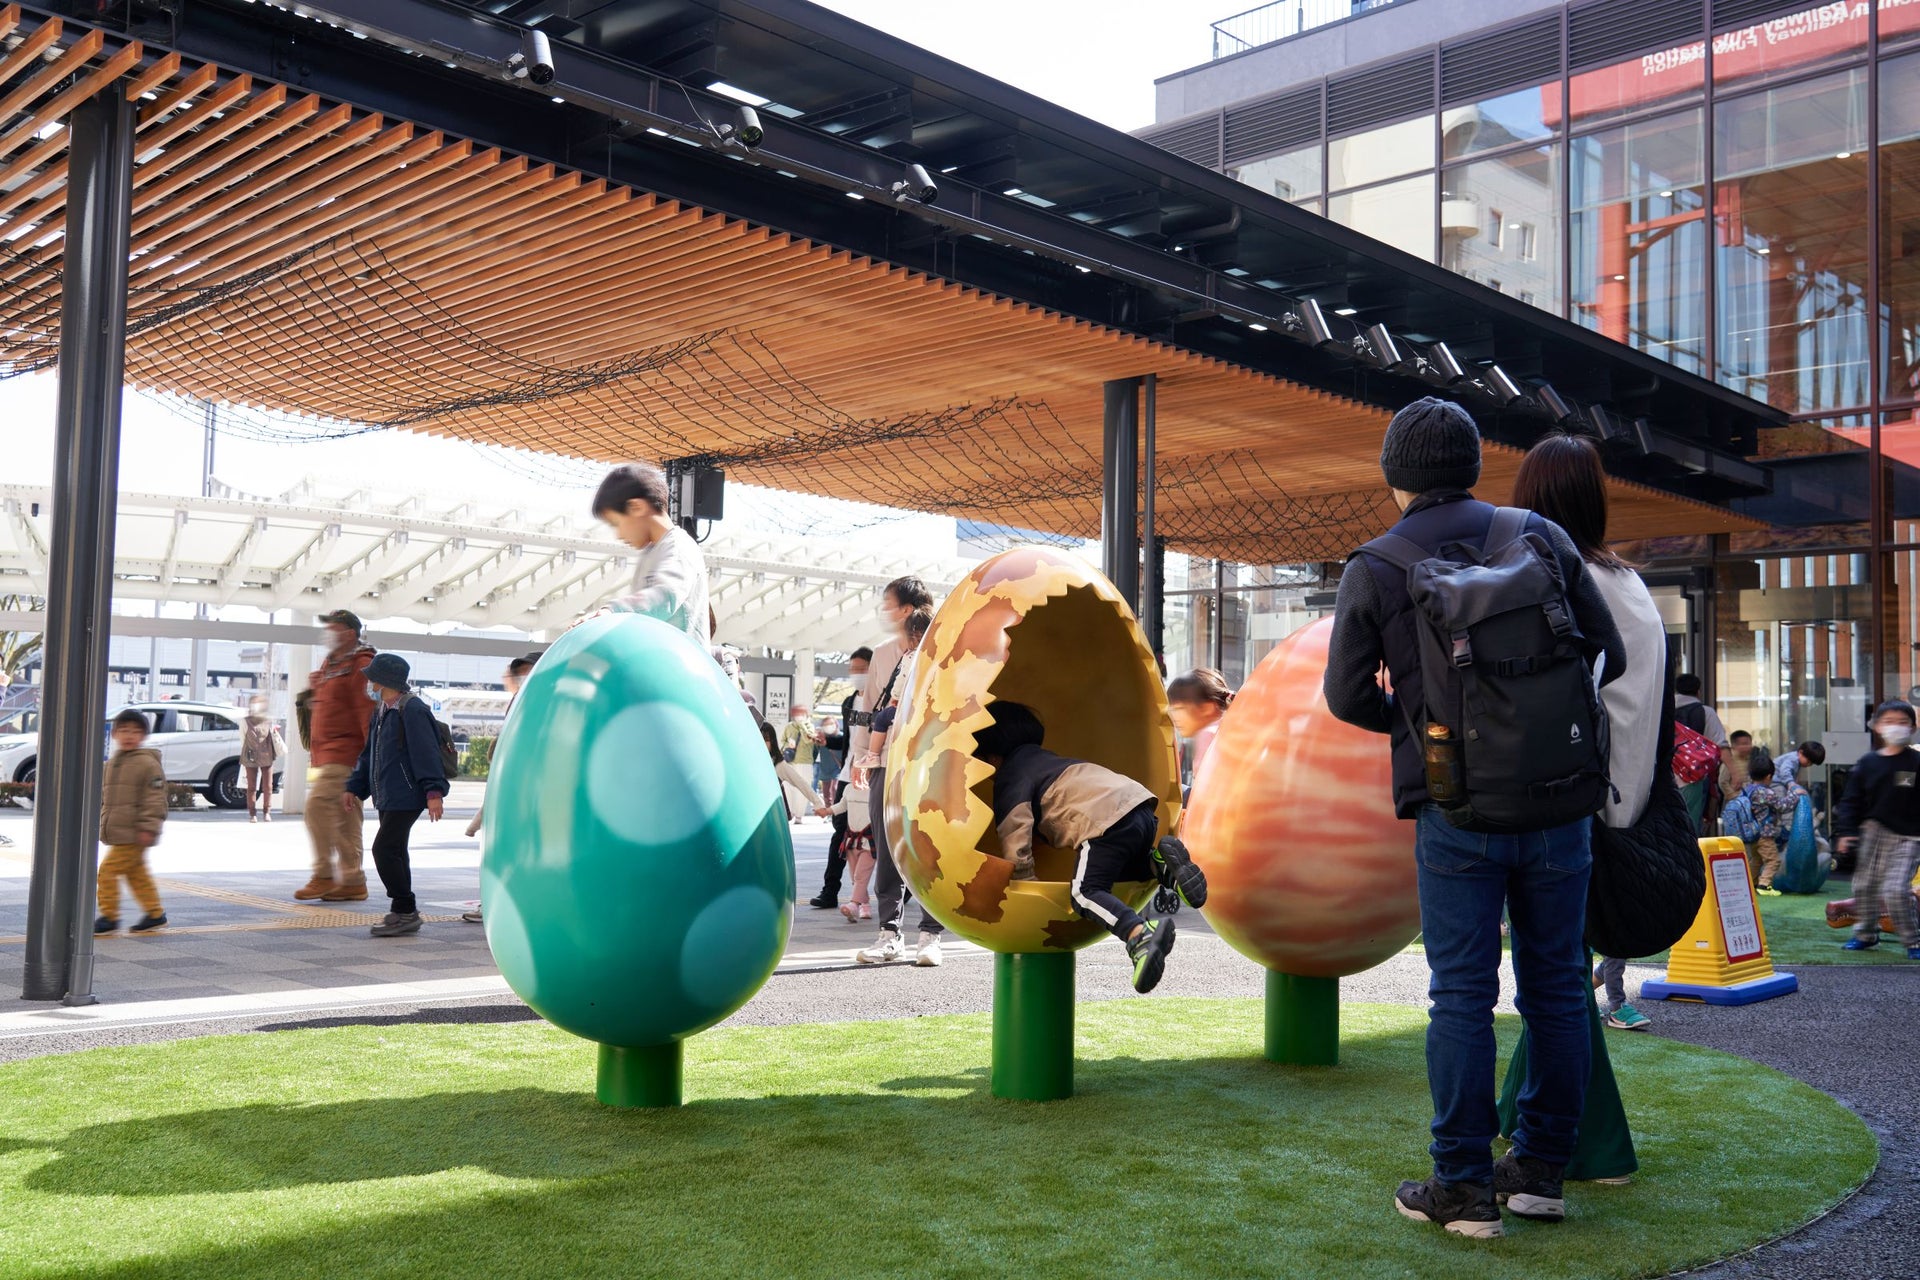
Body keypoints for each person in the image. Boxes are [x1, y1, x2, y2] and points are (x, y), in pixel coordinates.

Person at [1323, 397, 1626, 1238]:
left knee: (1460, 992)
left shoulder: (1376, 565)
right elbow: (1609, 649)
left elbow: (1345, 694)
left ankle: (1460, 1186)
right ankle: (1540, 1172)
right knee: (1557, 984)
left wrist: (1419, 728)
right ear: (1473, 467)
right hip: (1560, 799)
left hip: (1455, 805)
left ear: (1394, 477)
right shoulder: (1540, 535)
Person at [970, 701, 1206, 993]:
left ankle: (1139, 935)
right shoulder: (1049, 761)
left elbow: (1014, 828)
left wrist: (1024, 883)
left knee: (1084, 893)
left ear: (991, 757)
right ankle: (1160, 865)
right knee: (1119, 869)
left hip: (1103, 819)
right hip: (1139, 806)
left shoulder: (1011, 776)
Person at [850, 578, 946, 967]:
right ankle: (889, 934)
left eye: (889, 604)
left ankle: (931, 935)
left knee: (929, 845)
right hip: (886, 763)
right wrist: (862, 757)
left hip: (929, 763)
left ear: (908, 610)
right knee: (888, 848)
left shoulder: (945, 647)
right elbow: (870, 709)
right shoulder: (884, 654)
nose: (884, 612)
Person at [344, 654, 448, 938]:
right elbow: (369, 755)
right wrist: (354, 787)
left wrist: (433, 791)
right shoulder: (381, 710)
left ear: (384, 681)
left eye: (372, 678)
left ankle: (405, 908)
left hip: (407, 793)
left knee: (384, 849)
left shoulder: (412, 709)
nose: (369, 683)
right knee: (396, 850)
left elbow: (426, 752)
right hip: (388, 793)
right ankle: (404, 912)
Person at [1832, 700, 1920, 960]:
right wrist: (1846, 832)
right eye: (1889, 722)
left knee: (1896, 889)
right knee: (1864, 886)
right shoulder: (1868, 763)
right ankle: (1866, 935)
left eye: (1903, 722)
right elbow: (1850, 801)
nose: (1896, 727)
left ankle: (1913, 940)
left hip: (1910, 836)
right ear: (1877, 726)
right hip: (1873, 832)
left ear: (1913, 728)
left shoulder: (1916, 762)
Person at [299, 609, 376, 903]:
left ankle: (324, 875)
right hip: (331, 754)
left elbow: (366, 713)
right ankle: (353, 880)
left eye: (333, 628)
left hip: (346, 756)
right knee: (346, 820)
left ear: (349, 634)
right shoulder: (332, 663)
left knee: (316, 807)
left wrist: (368, 760)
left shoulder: (361, 665)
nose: (327, 634)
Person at [590, 464, 710, 650]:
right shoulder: (651, 553)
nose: (618, 535)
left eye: (616, 523)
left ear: (637, 507)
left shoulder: (678, 547)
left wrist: (611, 611)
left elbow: (665, 596)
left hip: (677, 665)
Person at [462, 655, 536, 924]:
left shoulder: (543, 704)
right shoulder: (520, 700)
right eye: (518, 674)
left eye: (528, 673)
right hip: (513, 790)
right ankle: (497, 904)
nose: (521, 679)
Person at [94, 709, 169, 935]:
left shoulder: (147, 764)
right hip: (121, 831)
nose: (129, 736)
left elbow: (155, 799)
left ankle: (109, 916)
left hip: (135, 832)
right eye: (124, 730)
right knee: (136, 874)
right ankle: (155, 914)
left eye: (135, 732)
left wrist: (149, 827)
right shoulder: (113, 763)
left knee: (107, 871)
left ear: (144, 736)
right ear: (114, 733)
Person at [809, 647, 872, 910]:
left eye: (861, 669)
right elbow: (850, 740)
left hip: (872, 775)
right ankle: (830, 891)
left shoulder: (881, 700)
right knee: (840, 832)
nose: (856, 674)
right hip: (847, 774)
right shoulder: (848, 702)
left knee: (878, 835)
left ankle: (898, 890)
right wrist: (829, 741)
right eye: (853, 669)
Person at [1740, 749, 1804, 896]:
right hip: (1764, 834)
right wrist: (1794, 795)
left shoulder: (1747, 790)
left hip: (1751, 833)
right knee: (1773, 860)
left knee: (1756, 860)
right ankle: (1764, 885)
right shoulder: (1765, 792)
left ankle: (1749, 884)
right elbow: (1782, 806)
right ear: (1769, 776)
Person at [818, 780, 875, 922]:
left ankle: (854, 905)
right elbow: (842, 805)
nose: (857, 774)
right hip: (851, 840)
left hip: (869, 841)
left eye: (862, 770)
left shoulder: (875, 789)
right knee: (855, 876)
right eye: (854, 770)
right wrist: (827, 811)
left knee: (860, 875)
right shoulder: (848, 788)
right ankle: (865, 904)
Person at [1166, 668, 1232, 788]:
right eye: (1171, 710)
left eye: (1179, 709)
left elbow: (1206, 790)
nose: (1173, 717)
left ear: (1207, 708)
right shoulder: (1228, 728)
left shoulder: (1208, 735)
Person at [760, 720, 824, 821]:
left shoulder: (778, 764)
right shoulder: (748, 762)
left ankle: (798, 815)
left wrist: (818, 803)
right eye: (759, 738)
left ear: (772, 741)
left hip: (772, 816)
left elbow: (801, 783)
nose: (762, 743)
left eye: (766, 739)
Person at [240, 696, 284, 824]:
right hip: (250, 755)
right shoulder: (245, 721)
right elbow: (242, 738)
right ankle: (252, 814)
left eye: (259, 704)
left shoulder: (268, 720)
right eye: (254, 704)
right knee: (251, 786)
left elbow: (273, 737)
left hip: (266, 754)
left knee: (268, 786)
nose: (256, 706)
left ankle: (267, 812)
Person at [1672, 673, 1727, 747]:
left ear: (1675, 691)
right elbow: (1720, 744)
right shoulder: (1706, 712)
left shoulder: (1662, 712)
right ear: (1698, 692)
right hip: (1697, 754)